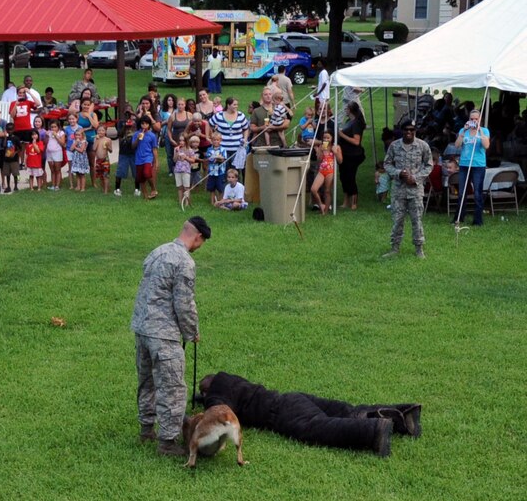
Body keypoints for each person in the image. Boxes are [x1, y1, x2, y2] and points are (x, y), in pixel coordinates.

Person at [198, 372, 421, 457]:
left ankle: (374, 431)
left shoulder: (216, 393)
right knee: (346, 410)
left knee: (317, 427)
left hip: (280, 413)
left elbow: (218, 412)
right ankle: (403, 416)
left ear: (208, 390)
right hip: (292, 398)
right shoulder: (229, 379)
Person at [132, 216, 211, 457]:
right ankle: (167, 442)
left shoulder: (158, 251)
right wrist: (192, 332)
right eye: (202, 242)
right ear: (198, 237)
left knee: (147, 382)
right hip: (163, 335)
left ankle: (146, 429)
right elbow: (184, 304)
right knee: (173, 388)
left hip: (141, 328)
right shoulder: (184, 262)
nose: (200, 247)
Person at [382, 120, 432, 258]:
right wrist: (398, 173)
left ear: (415, 131)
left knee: (417, 220)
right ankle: (395, 247)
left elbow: (429, 165)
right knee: (397, 220)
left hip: (415, 190)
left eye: (412, 130)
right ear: (402, 131)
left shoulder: (422, 146)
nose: (409, 132)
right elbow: (387, 164)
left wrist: (415, 178)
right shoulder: (394, 146)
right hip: (399, 190)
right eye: (406, 130)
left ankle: (419, 248)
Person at [452, 110, 491, 226]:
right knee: (461, 193)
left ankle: (477, 220)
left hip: (478, 165)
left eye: (476, 119)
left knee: (478, 193)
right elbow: (457, 145)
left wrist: (480, 132)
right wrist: (463, 131)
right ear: (469, 119)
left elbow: (486, 146)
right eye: (472, 119)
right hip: (464, 164)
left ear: (480, 120)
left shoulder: (484, 131)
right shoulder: (463, 131)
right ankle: (459, 217)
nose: (474, 121)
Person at [337, 102, 368, 210]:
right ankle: (346, 201)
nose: (345, 109)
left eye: (347, 108)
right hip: (344, 154)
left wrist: (342, 135)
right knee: (343, 177)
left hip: (353, 155)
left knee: (350, 177)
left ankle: (354, 202)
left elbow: (356, 141)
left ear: (350, 110)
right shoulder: (348, 121)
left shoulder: (357, 123)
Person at [311, 132, 343, 215]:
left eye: (328, 138)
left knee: (327, 191)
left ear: (332, 138)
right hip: (321, 170)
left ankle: (325, 212)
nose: (326, 139)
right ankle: (321, 205)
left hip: (330, 171)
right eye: (324, 138)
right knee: (313, 189)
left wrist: (335, 152)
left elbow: (340, 161)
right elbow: (319, 160)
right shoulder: (322, 146)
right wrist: (320, 151)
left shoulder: (336, 147)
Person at [114, 113, 139, 197]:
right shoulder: (122, 128)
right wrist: (125, 126)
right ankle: (117, 189)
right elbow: (119, 134)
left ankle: (137, 189)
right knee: (120, 171)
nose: (129, 129)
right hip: (123, 154)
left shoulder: (135, 132)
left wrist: (133, 115)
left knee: (136, 172)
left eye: (130, 127)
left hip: (133, 153)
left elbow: (140, 121)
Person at [133, 117, 158, 199]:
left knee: (147, 173)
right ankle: (145, 195)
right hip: (138, 157)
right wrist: (138, 138)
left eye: (146, 124)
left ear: (149, 125)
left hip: (148, 157)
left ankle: (153, 189)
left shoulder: (152, 135)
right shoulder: (136, 134)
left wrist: (156, 161)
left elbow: (154, 149)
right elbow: (133, 146)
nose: (144, 126)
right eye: (142, 124)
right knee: (141, 178)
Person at [173, 135, 197, 206]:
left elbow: (193, 160)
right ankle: (180, 202)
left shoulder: (190, 150)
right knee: (180, 187)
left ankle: (187, 202)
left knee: (186, 187)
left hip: (186, 170)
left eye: (183, 140)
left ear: (186, 141)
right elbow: (174, 160)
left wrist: (186, 157)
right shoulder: (176, 149)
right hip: (178, 170)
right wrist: (177, 153)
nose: (181, 142)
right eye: (180, 140)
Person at [204, 133, 226, 205]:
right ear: (212, 141)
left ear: (220, 140)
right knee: (212, 188)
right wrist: (218, 158)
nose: (216, 141)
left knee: (220, 188)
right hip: (212, 172)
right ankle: (212, 202)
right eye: (214, 140)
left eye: (217, 140)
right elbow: (209, 159)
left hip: (220, 172)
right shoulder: (209, 149)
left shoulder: (223, 149)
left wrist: (217, 158)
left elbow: (223, 159)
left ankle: (220, 202)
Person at [44, 119, 65, 191]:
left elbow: (62, 143)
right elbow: (45, 142)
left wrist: (56, 136)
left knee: (57, 169)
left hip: (57, 152)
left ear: (58, 127)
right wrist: (46, 136)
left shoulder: (61, 133)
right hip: (49, 152)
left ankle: (57, 185)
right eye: (52, 127)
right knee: (52, 170)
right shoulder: (49, 133)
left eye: (55, 127)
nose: (53, 128)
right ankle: (53, 185)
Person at [93, 124, 112, 194]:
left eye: (102, 130)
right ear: (96, 131)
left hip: (105, 159)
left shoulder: (108, 140)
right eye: (99, 130)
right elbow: (94, 148)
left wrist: (107, 146)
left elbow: (111, 150)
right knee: (100, 175)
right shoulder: (96, 139)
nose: (100, 132)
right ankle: (104, 187)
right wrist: (97, 140)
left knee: (105, 175)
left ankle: (106, 191)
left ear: (105, 131)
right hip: (98, 160)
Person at [69, 128, 90, 192]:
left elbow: (81, 150)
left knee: (82, 174)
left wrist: (75, 147)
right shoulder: (74, 141)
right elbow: (71, 149)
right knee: (77, 173)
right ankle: (78, 186)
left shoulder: (84, 142)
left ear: (82, 135)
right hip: (76, 159)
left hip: (81, 159)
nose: (77, 136)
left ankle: (83, 187)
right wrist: (75, 143)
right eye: (76, 135)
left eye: (79, 135)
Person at [2, 122, 20, 193]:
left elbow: (20, 148)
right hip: (6, 159)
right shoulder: (5, 138)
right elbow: (3, 146)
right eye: (8, 130)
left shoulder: (16, 138)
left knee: (15, 173)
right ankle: (8, 186)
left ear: (14, 130)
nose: (10, 131)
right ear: (6, 130)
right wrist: (5, 137)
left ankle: (16, 186)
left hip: (14, 160)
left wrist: (15, 153)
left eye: (11, 130)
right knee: (7, 174)